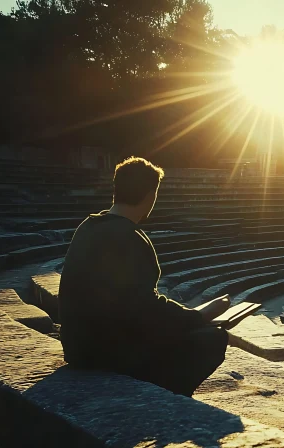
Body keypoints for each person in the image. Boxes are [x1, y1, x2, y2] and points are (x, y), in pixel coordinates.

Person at [58, 156, 231, 397]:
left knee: (185, 329)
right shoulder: (129, 237)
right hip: (108, 351)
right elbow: (144, 307)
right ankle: (165, 398)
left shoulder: (88, 227)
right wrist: (198, 315)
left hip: (79, 345)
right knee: (212, 339)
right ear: (151, 195)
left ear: (116, 189)